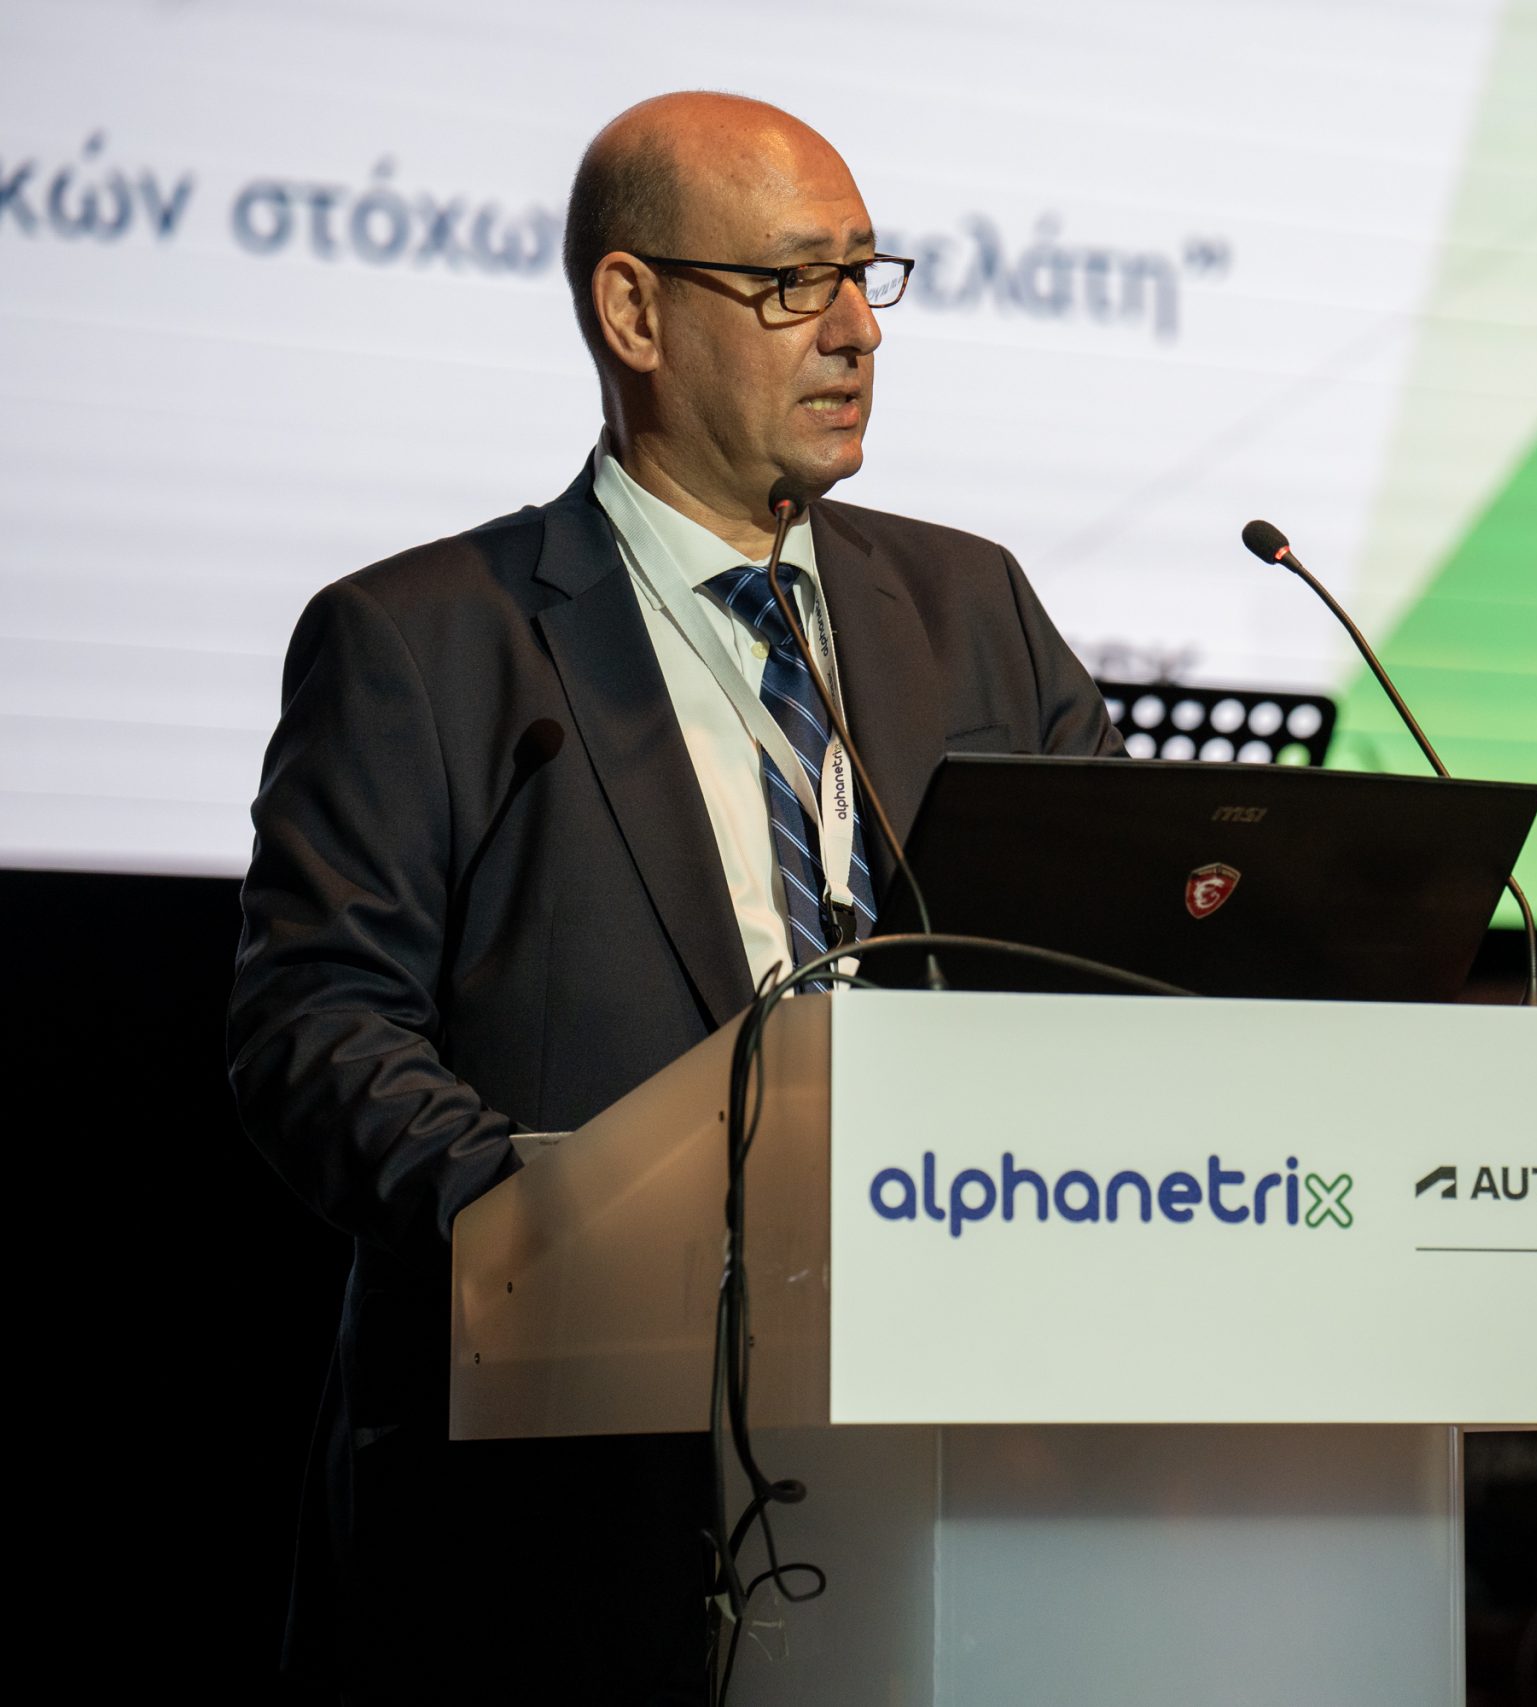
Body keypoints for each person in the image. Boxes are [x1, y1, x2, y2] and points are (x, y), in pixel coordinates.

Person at [228, 91, 1120, 1701]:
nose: (856, 329)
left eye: (865, 276)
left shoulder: (969, 605)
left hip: (958, 1452)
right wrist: (546, 1221)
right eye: (791, 283)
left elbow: (1110, 952)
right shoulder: (426, 641)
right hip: (569, 1511)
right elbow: (316, 1024)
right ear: (633, 312)